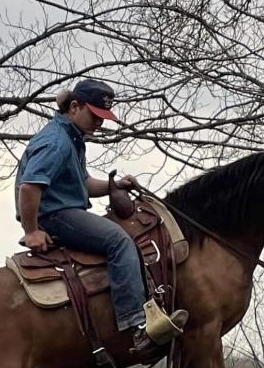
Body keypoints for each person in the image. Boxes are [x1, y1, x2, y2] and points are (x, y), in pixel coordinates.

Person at [15, 78, 185, 354]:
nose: (99, 124)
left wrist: (114, 186)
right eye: (95, 116)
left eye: (103, 118)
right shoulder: (56, 142)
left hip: (63, 209)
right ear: (74, 106)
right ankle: (138, 328)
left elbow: (83, 184)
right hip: (55, 215)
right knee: (119, 241)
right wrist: (32, 231)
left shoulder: (70, 138)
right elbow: (30, 187)